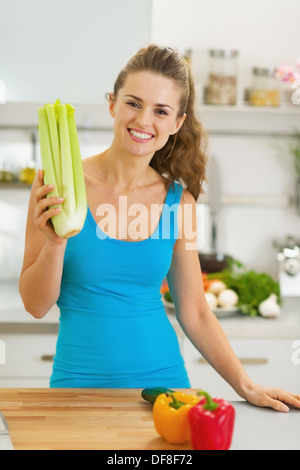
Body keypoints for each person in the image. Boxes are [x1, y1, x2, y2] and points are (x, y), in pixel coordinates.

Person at [19, 44, 300, 412]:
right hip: (77, 389)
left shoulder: (178, 201)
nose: (143, 120)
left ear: (177, 122)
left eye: (161, 111)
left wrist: (246, 385)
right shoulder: (58, 188)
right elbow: (36, 306)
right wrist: (55, 245)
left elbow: (195, 311)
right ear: (112, 104)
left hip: (164, 392)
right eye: (133, 103)